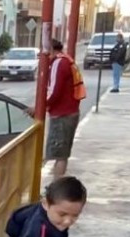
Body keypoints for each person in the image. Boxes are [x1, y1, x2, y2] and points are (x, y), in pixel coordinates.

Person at [45, 39, 81, 178]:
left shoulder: (59, 63)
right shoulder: (66, 60)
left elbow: (54, 91)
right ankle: (56, 188)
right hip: (70, 113)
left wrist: (40, 108)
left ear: (51, 50)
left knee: (59, 155)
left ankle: (56, 190)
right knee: (62, 155)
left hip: (62, 115)